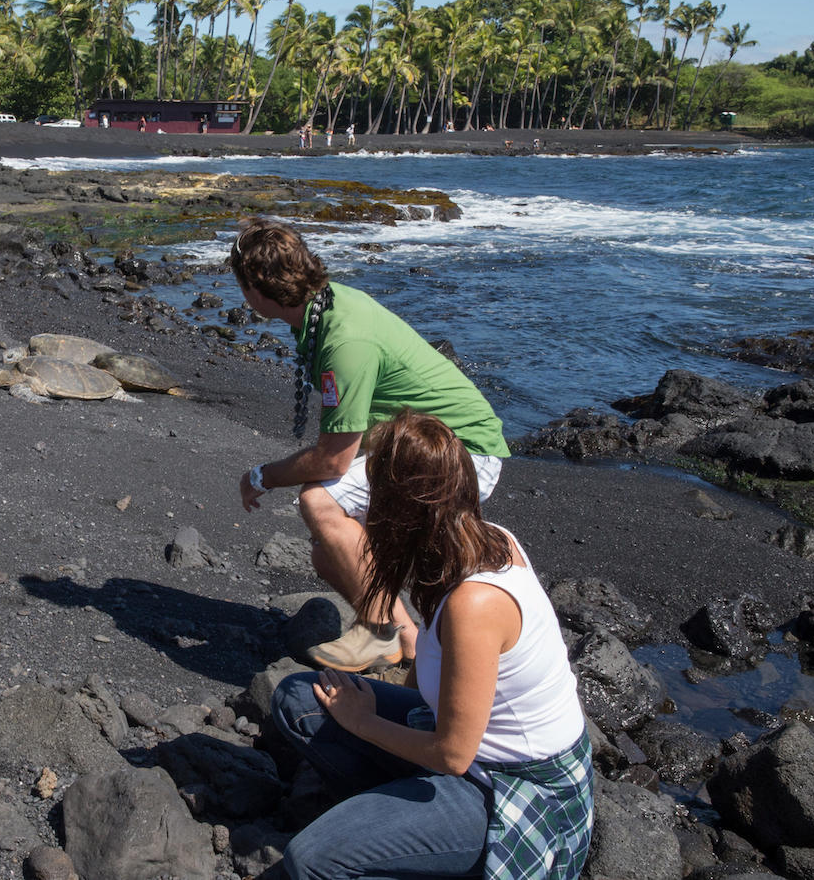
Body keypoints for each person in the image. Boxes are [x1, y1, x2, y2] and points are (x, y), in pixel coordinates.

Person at [270, 410, 593, 880]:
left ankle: (420, 844)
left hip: (512, 786)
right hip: (460, 748)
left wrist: (364, 722)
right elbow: (430, 662)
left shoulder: (476, 604)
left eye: (376, 493)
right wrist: (381, 717)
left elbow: (453, 755)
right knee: (298, 698)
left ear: (401, 510)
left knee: (312, 861)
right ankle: (404, 832)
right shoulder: (471, 540)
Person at [230, 219, 509, 672]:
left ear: (256, 292)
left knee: (319, 502)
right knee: (330, 553)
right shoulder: (324, 307)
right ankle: (407, 640)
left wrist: (261, 476)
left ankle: (378, 632)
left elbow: (334, 457)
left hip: (462, 454)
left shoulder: (345, 340)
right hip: (423, 445)